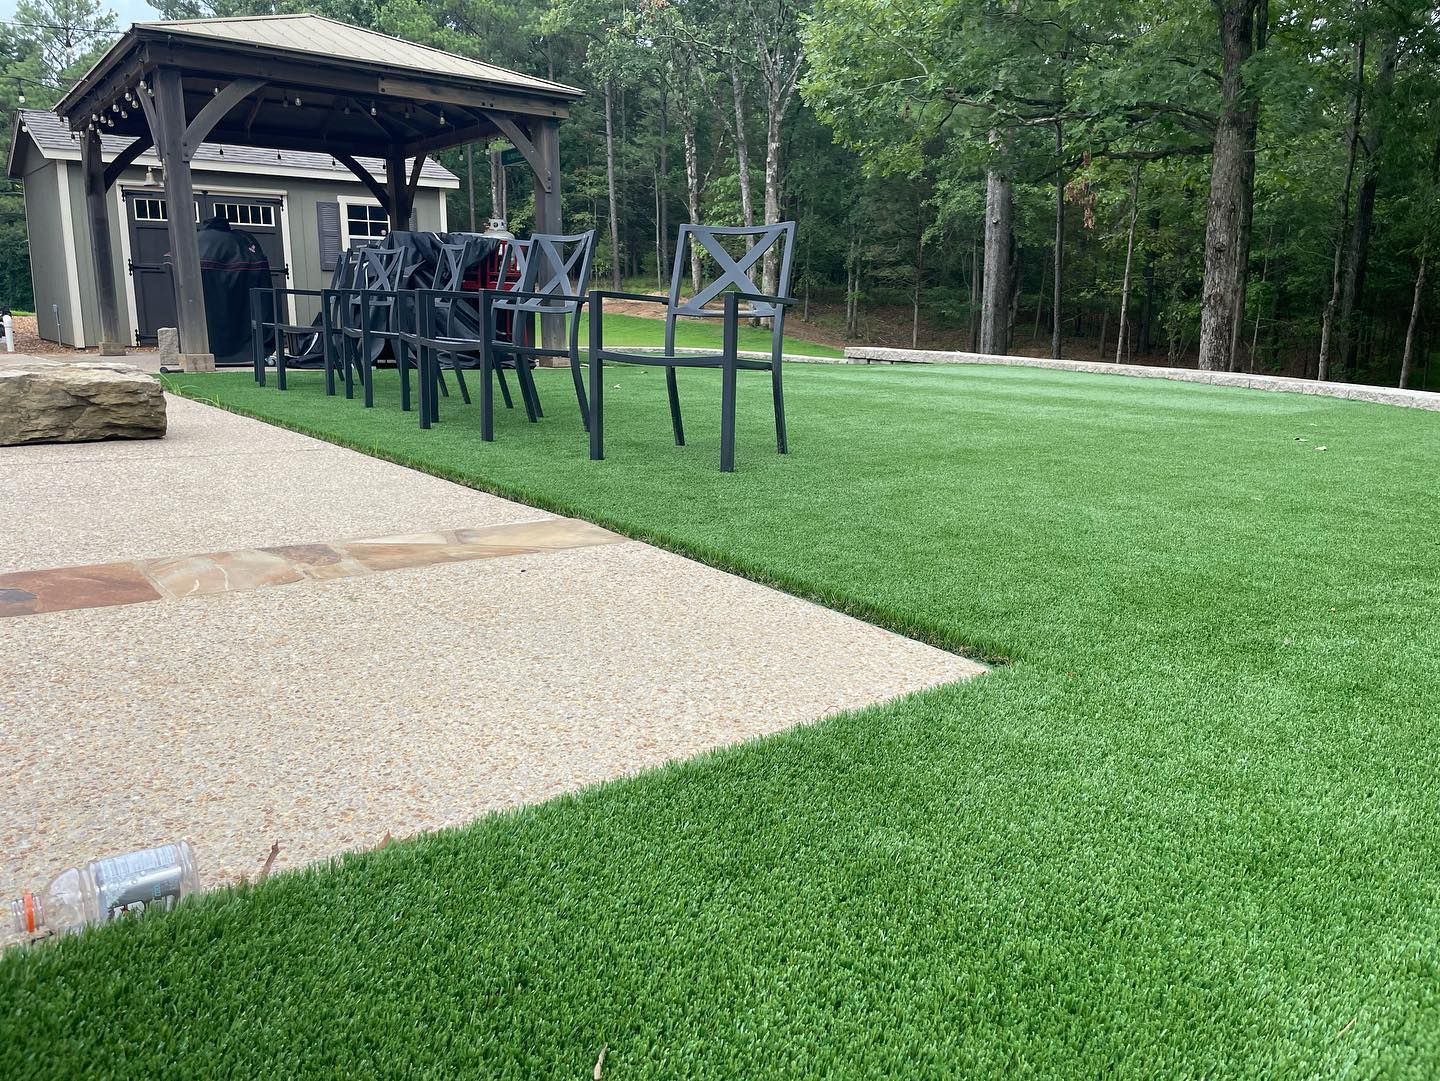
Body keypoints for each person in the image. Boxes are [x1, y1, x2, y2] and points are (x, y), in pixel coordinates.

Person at [196, 214, 273, 364]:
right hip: (240, 305)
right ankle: (245, 351)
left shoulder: (196, 242)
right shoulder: (243, 241)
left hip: (207, 312)